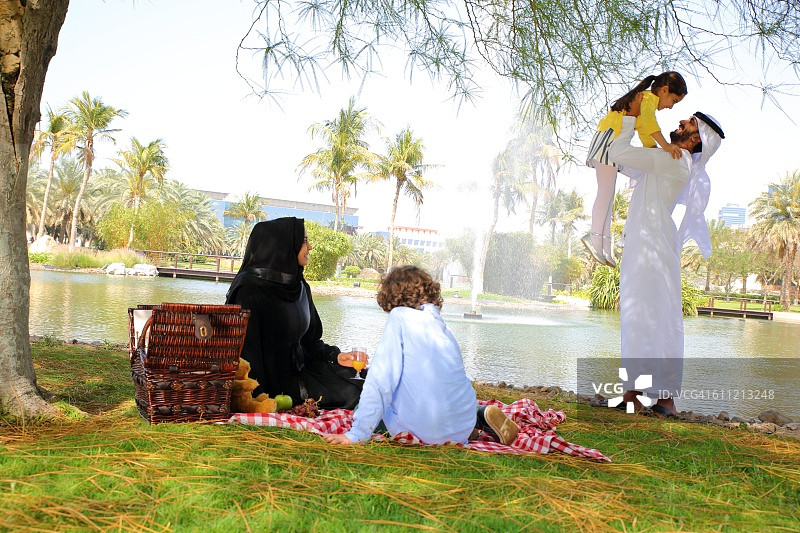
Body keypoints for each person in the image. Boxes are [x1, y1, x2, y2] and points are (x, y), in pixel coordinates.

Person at [608, 92, 724, 416]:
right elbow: (625, 162)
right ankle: (636, 395)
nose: (679, 122)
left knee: (656, 320)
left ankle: (665, 400)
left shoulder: (673, 159)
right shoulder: (672, 159)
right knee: (640, 319)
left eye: (687, 123)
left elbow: (618, 151)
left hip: (652, 248)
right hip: (647, 245)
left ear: (695, 137)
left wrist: (630, 115)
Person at [322, 266, 519, 446]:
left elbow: (381, 381)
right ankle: (477, 417)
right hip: (461, 425)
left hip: (426, 430)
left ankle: (471, 420)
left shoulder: (398, 317)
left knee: (362, 409)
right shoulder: (440, 326)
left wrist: (356, 434)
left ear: (391, 296)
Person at [225, 217, 364, 410]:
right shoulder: (249, 291)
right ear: (284, 245)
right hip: (273, 385)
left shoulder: (299, 286)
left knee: (363, 378)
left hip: (304, 372)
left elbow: (310, 342)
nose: (310, 247)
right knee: (350, 392)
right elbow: (245, 357)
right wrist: (260, 401)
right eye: (304, 241)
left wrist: (335, 356)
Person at [584, 71, 688, 267]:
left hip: (611, 139)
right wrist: (665, 146)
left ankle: (604, 245)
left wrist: (655, 152)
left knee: (609, 195)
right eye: (673, 100)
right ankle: (595, 237)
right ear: (664, 90)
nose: (670, 106)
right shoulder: (647, 99)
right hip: (610, 140)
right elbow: (650, 124)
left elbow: (644, 131)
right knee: (605, 194)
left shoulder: (645, 101)